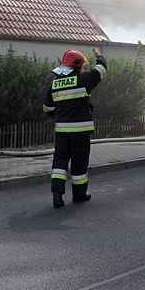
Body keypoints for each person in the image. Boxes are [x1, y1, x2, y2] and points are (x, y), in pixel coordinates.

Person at [43, 47, 107, 208]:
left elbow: (47, 108)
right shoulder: (83, 80)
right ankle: (79, 195)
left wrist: (60, 115)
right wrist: (99, 56)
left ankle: (57, 195)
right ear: (78, 66)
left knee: (59, 162)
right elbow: (101, 70)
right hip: (80, 132)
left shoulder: (54, 84)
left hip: (62, 132)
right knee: (79, 163)